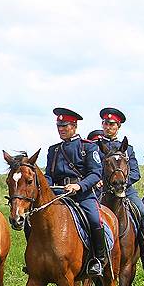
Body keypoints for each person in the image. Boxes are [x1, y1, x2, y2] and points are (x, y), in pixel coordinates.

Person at [45, 108, 106, 276]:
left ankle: (98, 259)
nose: (61, 129)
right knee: (34, 219)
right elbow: (49, 175)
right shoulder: (53, 150)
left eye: (65, 126)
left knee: (94, 219)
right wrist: (47, 188)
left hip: (82, 194)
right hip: (59, 193)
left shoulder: (88, 147)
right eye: (59, 126)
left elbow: (95, 174)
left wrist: (79, 186)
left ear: (74, 126)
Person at [99, 107, 144, 270]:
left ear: (118, 127)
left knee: (143, 213)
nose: (108, 127)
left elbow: (135, 172)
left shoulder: (129, 149)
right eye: (106, 123)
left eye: (112, 124)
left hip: (126, 190)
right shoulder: (94, 147)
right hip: (102, 191)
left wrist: (124, 182)